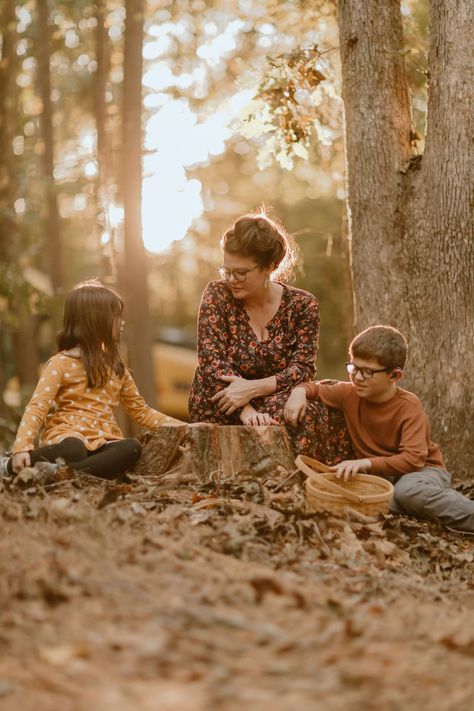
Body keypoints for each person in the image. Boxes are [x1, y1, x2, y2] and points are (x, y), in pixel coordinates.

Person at [188, 211, 353, 463]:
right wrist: (245, 409)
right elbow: (211, 362)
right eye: (226, 270)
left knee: (310, 411)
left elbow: (303, 368)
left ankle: (306, 483)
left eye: (241, 273)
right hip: (221, 398)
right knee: (213, 393)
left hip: (276, 398)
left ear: (269, 267)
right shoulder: (217, 294)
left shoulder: (302, 305)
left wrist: (254, 388)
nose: (231, 279)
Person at [284, 324, 474, 533]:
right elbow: (316, 388)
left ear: (394, 376)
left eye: (367, 372)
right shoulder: (349, 393)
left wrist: (365, 462)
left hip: (423, 471)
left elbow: (413, 459)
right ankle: (420, 508)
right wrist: (298, 392)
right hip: (383, 477)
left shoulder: (408, 406)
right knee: (360, 498)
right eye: (353, 368)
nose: (356, 377)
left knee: (407, 492)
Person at [0, 280, 182, 480]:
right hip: (68, 438)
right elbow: (37, 406)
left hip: (102, 441)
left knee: (131, 447)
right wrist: (21, 448)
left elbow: (141, 411)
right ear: (96, 320)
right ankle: (8, 465)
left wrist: (183, 427)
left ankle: (59, 474)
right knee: (74, 450)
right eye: (116, 316)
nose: (122, 322)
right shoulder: (61, 363)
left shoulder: (116, 368)